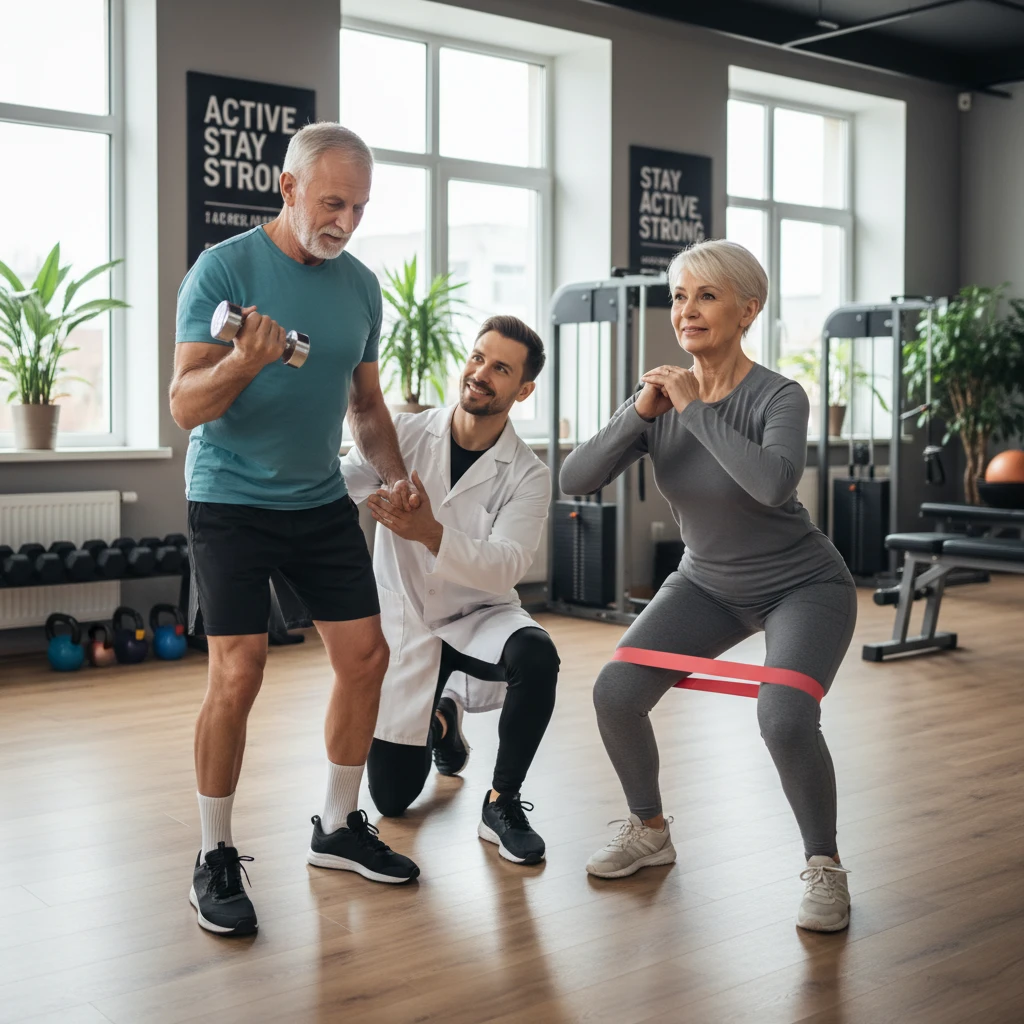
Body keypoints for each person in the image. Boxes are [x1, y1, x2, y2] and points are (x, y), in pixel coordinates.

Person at [560, 239, 857, 932]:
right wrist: (641, 412)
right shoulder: (660, 400)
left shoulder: (778, 395)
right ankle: (650, 830)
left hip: (802, 584)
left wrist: (694, 408)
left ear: (748, 309)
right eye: (679, 296)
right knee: (616, 693)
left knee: (784, 718)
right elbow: (575, 480)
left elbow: (771, 483)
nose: (686, 311)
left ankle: (825, 866)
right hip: (706, 582)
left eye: (706, 296)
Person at [170, 122, 420, 938]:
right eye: (332, 201)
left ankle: (339, 827)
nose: (344, 221)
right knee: (238, 672)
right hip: (230, 497)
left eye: (359, 206)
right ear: (288, 189)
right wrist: (243, 360)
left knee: (367, 655)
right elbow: (183, 406)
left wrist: (394, 478)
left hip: (315, 497)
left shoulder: (360, 289)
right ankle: (214, 854)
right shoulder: (225, 269)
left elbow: (367, 405)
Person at [340, 316, 559, 865]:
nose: (480, 374)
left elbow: (506, 566)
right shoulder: (407, 435)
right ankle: (443, 720)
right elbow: (342, 482)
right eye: (478, 357)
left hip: (478, 615)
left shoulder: (528, 474)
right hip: (408, 622)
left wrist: (431, 533)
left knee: (536, 655)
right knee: (391, 801)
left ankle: (502, 802)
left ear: (523, 390)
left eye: (501, 368)